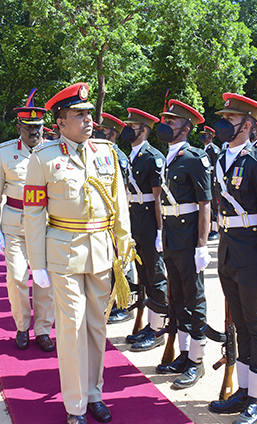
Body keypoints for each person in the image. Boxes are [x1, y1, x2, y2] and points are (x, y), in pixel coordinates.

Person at [23, 82, 132, 424]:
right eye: (78, 115)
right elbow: (33, 214)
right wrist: (36, 263)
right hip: (63, 253)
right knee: (71, 328)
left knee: (96, 327)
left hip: (100, 251)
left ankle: (95, 393)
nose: (87, 120)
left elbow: (120, 204)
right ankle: (75, 405)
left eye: (88, 114)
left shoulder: (106, 152)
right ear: (60, 122)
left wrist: (124, 245)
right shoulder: (44, 158)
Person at [206, 93, 257, 424]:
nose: (222, 123)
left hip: (251, 249)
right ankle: (245, 391)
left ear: (247, 125)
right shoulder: (222, 159)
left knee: (256, 324)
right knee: (241, 325)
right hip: (227, 247)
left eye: (230, 119)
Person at [0, 99, 55, 352]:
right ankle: (22, 326)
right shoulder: (4, 152)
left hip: (46, 224)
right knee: (17, 277)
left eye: (38, 125)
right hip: (15, 223)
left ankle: (44, 329)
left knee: (44, 279)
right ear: (18, 127)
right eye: (28, 127)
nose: (34, 131)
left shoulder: (53, 151)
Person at [154, 99, 213, 390]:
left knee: (194, 298)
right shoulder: (168, 157)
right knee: (177, 299)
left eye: (172, 122)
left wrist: (202, 245)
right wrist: (160, 233)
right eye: (165, 121)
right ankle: (185, 354)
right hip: (171, 237)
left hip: (189, 238)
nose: (165, 126)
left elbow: (205, 204)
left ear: (186, 127)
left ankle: (197, 362)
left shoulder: (195, 157)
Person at [119, 107, 169, 352]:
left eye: (133, 126)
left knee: (155, 276)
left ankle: (158, 328)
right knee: (143, 275)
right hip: (136, 223)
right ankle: (149, 324)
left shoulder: (153, 157)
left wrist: (160, 231)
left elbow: (158, 199)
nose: (127, 129)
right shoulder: (133, 155)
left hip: (150, 224)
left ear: (145, 130)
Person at [96, 112, 134, 325]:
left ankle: (124, 305)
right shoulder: (102, 153)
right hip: (106, 219)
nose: (97, 132)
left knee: (123, 260)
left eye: (102, 130)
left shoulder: (116, 155)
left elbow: (123, 191)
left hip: (118, 216)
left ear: (113, 133)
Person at [200, 125, 221, 240]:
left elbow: (217, 166)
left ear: (211, 137)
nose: (203, 136)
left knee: (214, 204)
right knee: (210, 204)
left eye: (205, 134)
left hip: (213, 178)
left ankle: (215, 229)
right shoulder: (205, 149)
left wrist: (216, 178)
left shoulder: (214, 149)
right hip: (207, 177)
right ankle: (211, 228)